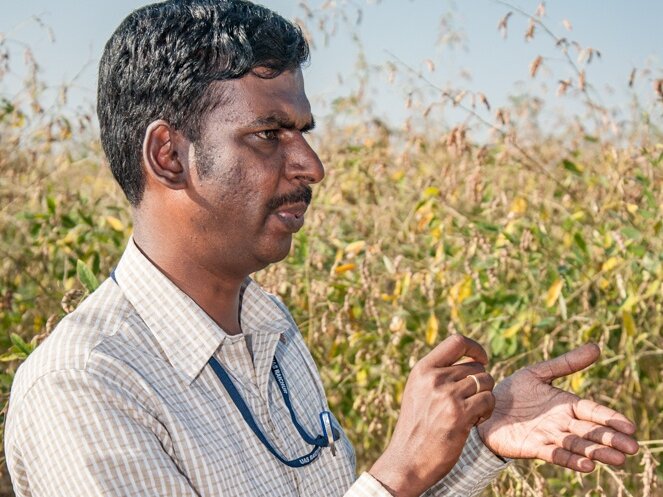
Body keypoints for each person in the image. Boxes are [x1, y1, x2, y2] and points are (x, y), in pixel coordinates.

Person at [4, 1, 639, 496]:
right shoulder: (85, 389)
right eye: (267, 134)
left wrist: (478, 439)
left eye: (303, 132)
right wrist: (401, 470)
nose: (311, 165)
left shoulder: (267, 326)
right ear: (169, 155)